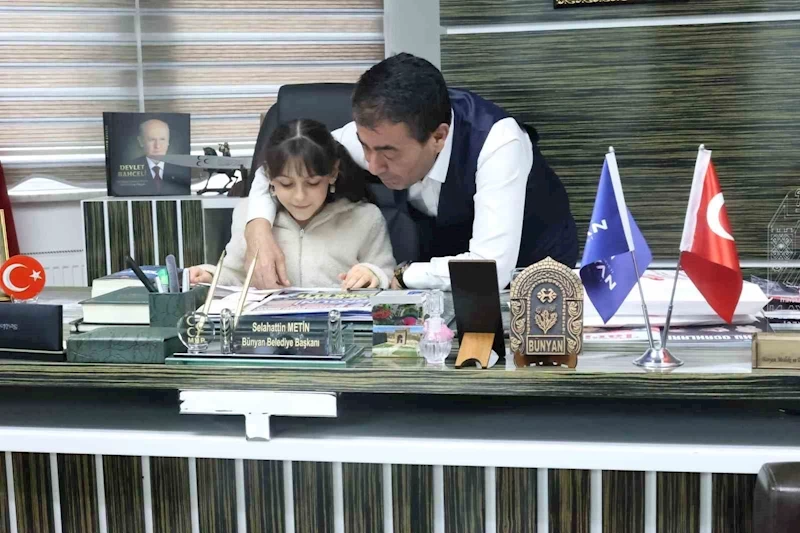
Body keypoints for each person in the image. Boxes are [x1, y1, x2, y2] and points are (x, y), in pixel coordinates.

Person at [244, 53, 577, 290]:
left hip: (533, 275)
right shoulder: (374, 138)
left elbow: (490, 270)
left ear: (438, 137)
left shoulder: (498, 143)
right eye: (364, 146)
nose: (372, 165)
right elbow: (274, 167)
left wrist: (404, 275)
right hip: (444, 274)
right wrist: (258, 231)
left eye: (388, 153)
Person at [189, 119, 395, 289]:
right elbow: (237, 276)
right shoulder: (247, 215)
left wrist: (372, 274)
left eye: (312, 183)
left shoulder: (365, 218)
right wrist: (210, 277)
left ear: (333, 173)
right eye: (286, 184)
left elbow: (389, 274)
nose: (299, 197)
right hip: (271, 326)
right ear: (269, 177)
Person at [126, 119, 189, 195]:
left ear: (168, 141)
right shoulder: (128, 170)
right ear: (141, 141)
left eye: (162, 139)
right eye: (152, 139)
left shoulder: (182, 169)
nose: (157, 146)